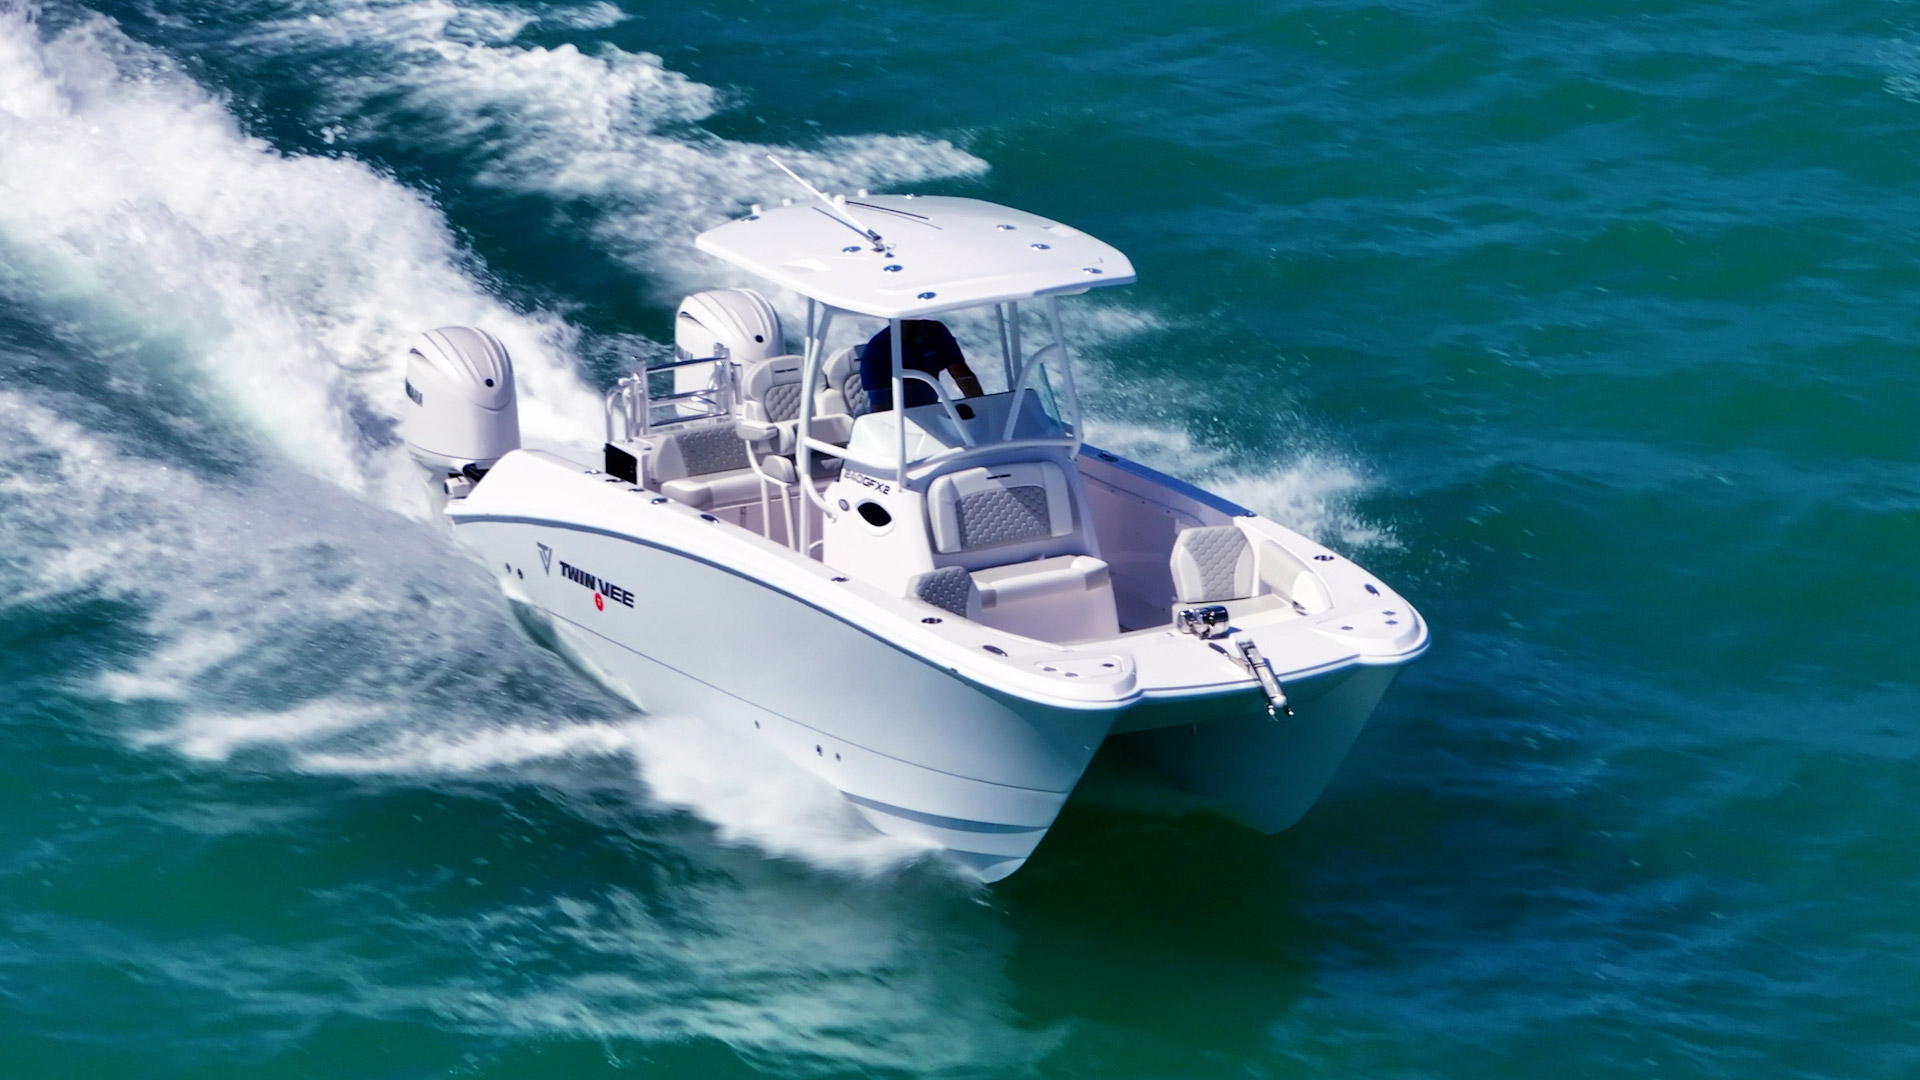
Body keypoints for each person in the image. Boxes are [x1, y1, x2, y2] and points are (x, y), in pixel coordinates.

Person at [858, 320, 983, 412]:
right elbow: (880, 407)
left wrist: (981, 409)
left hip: (931, 410)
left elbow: (962, 374)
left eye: (913, 317)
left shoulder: (937, 332)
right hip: (898, 416)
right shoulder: (876, 350)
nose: (910, 321)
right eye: (904, 320)